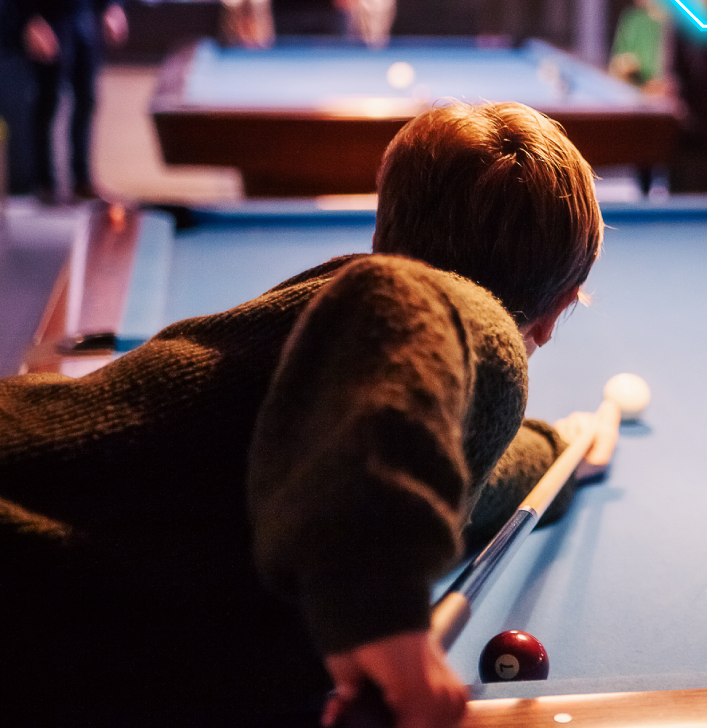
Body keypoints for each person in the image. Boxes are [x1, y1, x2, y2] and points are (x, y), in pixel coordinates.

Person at [0, 101, 619, 728]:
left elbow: (446, 463)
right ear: (558, 308)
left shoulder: (366, 364)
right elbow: (400, 312)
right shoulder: (438, 309)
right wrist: (381, 612)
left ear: (383, 229)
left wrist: (553, 454)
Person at [15, 0, 127, 204]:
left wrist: (113, 6)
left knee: (87, 99)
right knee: (48, 102)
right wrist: (30, 19)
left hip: (84, 12)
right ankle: (45, 183)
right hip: (49, 16)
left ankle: (82, 182)